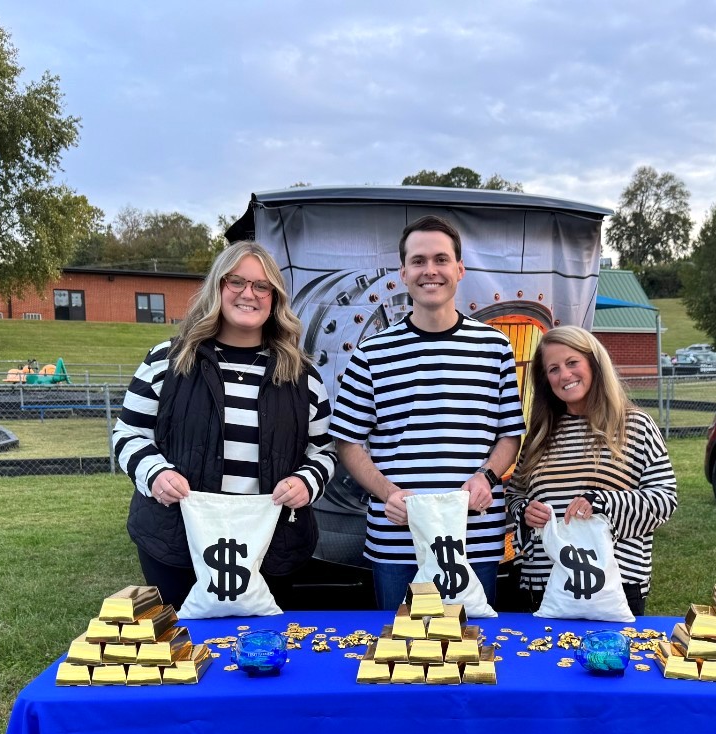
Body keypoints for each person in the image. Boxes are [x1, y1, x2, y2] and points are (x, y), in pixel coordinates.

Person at [112, 241, 336, 609]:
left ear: (275, 298)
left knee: (263, 642)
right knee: (184, 641)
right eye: (236, 281)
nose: (249, 294)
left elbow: (324, 451)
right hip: (176, 542)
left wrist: (306, 482)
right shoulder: (167, 360)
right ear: (217, 286)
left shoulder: (302, 375)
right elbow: (128, 433)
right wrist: (154, 473)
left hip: (272, 545)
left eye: (262, 286)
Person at [330, 215, 525, 609]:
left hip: (474, 538)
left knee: (471, 644)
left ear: (459, 269)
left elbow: (509, 435)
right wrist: (387, 493)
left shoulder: (495, 347)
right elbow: (347, 441)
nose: (430, 270)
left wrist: (487, 476)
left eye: (441, 259)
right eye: (418, 261)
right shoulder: (371, 353)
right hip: (397, 540)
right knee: (400, 644)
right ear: (403, 273)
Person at [504, 326, 677, 616]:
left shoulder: (636, 426)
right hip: (543, 587)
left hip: (614, 587)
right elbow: (515, 494)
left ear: (595, 364)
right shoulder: (540, 435)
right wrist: (525, 512)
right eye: (553, 369)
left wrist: (603, 503)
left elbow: (664, 500)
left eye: (572, 362)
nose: (565, 375)